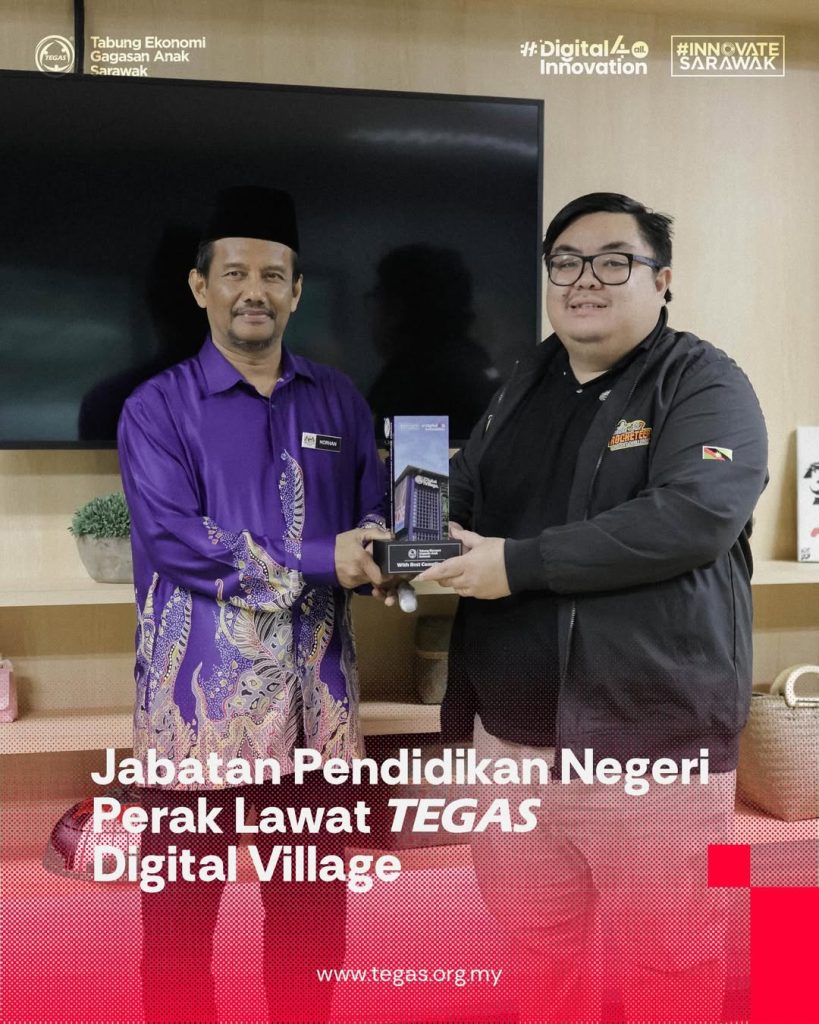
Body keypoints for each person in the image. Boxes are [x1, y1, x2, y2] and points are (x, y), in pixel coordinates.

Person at [418, 192, 768, 1021]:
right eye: (566, 262)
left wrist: (517, 565)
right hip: (510, 741)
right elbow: (458, 489)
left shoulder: (704, 381)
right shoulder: (523, 381)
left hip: (654, 747)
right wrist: (399, 537)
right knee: (535, 953)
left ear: (662, 280)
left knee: (673, 961)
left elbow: (693, 515)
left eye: (614, 262)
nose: (584, 280)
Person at [117, 185, 391, 1023]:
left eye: (273, 275)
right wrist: (324, 557)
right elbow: (179, 542)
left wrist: (390, 545)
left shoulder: (339, 399)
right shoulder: (155, 409)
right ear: (200, 286)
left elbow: (373, 510)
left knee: (311, 922)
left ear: (297, 291)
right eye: (234, 273)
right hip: (195, 715)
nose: (254, 291)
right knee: (177, 928)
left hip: (315, 717)